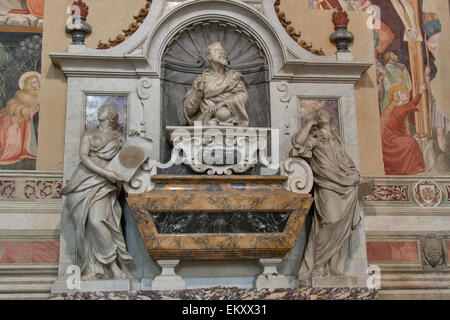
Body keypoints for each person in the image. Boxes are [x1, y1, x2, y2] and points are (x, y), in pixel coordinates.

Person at [62, 104, 133, 280]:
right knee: (86, 223)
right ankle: (97, 267)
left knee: (97, 220)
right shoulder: (89, 134)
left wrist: (134, 140)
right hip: (85, 179)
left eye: (102, 110)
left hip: (105, 184)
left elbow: (131, 156)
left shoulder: (118, 138)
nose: (98, 112)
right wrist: (105, 172)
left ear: (110, 116)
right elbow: (84, 157)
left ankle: (113, 265)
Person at [290, 109, 361, 285]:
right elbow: (298, 143)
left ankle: (332, 266)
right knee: (330, 220)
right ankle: (318, 265)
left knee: (341, 226)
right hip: (326, 183)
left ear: (330, 118)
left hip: (345, 184)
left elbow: (345, 160)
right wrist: (309, 123)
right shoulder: (314, 136)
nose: (322, 114)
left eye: (324, 113)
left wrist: (353, 174)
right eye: (318, 114)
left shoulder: (336, 138)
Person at [183, 42, 250, 127]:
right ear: (209, 57)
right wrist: (198, 95)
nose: (221, 53)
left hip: (229, 116)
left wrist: (221, 104)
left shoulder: (233, 77)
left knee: (222, 113)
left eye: (222, 51)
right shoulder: (202, 81)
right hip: (206, 119)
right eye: (217, 50)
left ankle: (222, 121)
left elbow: (243, 96)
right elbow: (189, 110)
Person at [381, 84, 426, 175]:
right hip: (391, 140)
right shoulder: (400, 109)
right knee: (410, 142)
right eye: (401, 93)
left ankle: (414, 168)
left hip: (391, 138)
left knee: (410, 141)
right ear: (397, 98)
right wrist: (420, 92)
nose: (404, 93)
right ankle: (412, 169)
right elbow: (413, 103)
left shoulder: (393, 108)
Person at [0, 72, 40, 164]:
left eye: (37, 81)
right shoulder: (22, 94)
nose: (37, 84)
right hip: (18, 114)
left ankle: (15, 147)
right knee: (7, 119)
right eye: (34, 82)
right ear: (29, 85)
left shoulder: (42, 94)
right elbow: (17, 105)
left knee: (15, 123)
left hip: (25, 116)